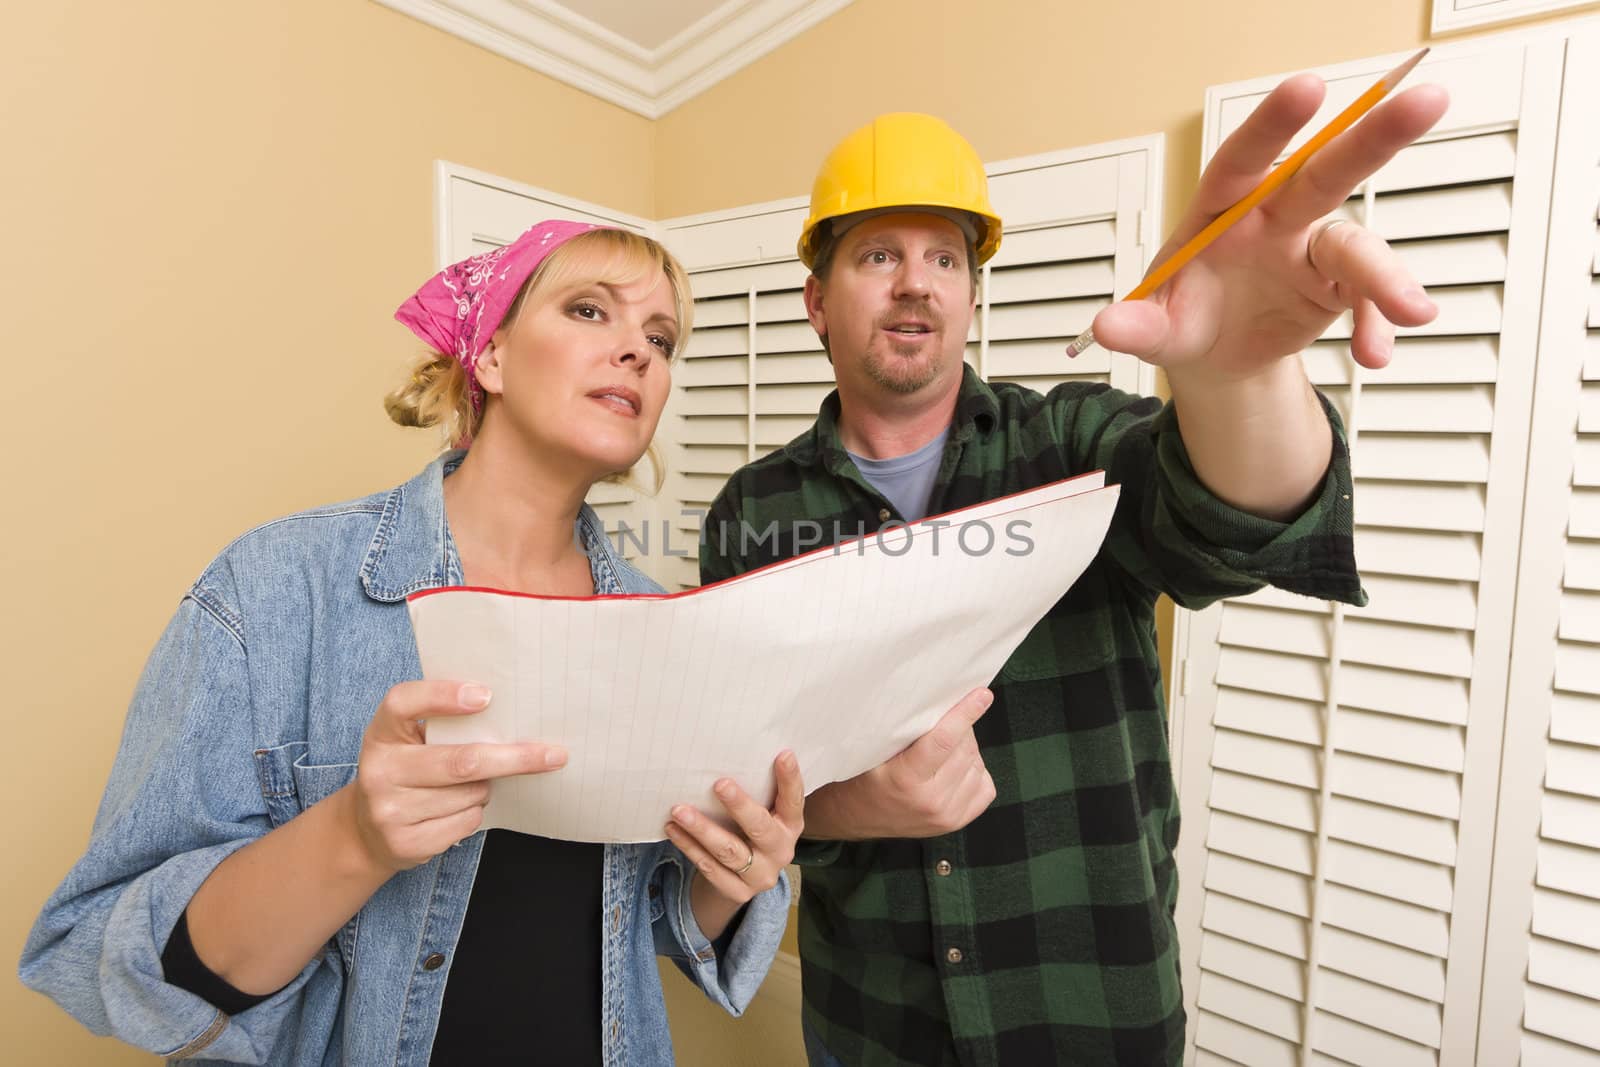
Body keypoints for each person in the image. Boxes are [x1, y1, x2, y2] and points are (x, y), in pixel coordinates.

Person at [701, 84, 1449, 1067]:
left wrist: (1235, 377)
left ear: (970, 293)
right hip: (871, 1021)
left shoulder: (1069, 445)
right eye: (878, 255)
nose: (915, 283)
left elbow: (1227, 517)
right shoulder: (750, 515)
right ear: (816, 300)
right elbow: (733, 775)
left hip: (1090, 1010)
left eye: (943, 259)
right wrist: (848, 801)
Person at [21, 220, 804, 1066]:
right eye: (589, 310)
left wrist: (726, 878)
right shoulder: (274, 586)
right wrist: (352, 837)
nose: (639, 353)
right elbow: (108, 949)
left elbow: (639, 919)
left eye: (660, 338)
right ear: (491, 357)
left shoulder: (662, 627)